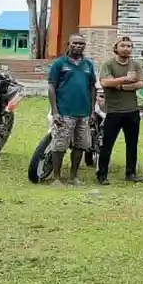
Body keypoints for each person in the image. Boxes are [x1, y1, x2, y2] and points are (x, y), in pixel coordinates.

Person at [46, 33, 98, 185]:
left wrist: (92, 111)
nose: (78, 46)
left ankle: (73, 176)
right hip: (64, 112)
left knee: (80, 145)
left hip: (84, 112)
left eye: (81, 43)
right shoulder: (59, 63)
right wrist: (55, 111)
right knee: (59, 145)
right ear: (68, 44)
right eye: (75, 43)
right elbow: (51, 86)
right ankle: (56, 177)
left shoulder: (88, 64)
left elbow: (92, 87)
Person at [97, 36, 143, 184]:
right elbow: (105, 82)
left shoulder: (135, 64)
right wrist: (126, 79)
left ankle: (131, 173)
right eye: (123, 46)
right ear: (116, 48)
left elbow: (141, 84)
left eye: (129, 46)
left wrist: (121, 86)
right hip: (113, 111)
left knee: (132, 143)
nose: (126, 48)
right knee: (107, 144)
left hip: (132, 110)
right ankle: (102, 174)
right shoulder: (108, 64)